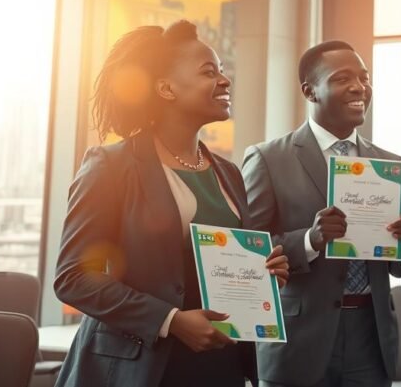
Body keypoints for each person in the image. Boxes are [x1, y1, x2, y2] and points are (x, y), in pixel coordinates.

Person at [54, 21, 289, 387]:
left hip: (217, 364)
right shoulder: (111, 165)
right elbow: (74, 278)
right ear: (165, 88)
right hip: (137, 367)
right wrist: (170, 320)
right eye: (209, 72)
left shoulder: (228, 173)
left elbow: (223, 267)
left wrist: (266, 272)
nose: (225, 81)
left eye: (223, 72)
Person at [243, 40, 401, 387]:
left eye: (364, 77)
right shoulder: (268, 159)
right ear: (310, 91)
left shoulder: (390, 164)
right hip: (299, 341)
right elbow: (250, 251)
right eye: (343, 78)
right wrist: (310, 240)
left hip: (371, 340)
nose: (359, 87)